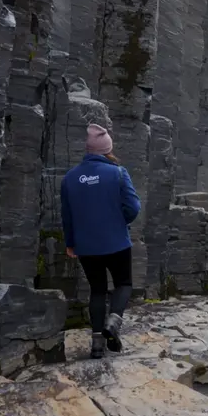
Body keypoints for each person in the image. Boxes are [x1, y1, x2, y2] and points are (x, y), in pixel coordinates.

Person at [60, 123, 141, 359]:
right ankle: (114, 321)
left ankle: (97, 346)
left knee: (97, 290)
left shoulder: (70, 179)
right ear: (107, 149)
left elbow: (67, 216)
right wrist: (120, 222)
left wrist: (71, 242)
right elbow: (134, 208)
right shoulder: (117, 172)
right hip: (116, 241)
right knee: (124, 284)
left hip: (86, 245)